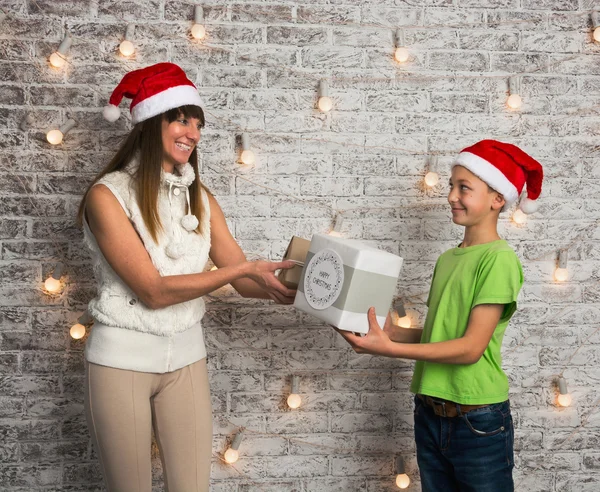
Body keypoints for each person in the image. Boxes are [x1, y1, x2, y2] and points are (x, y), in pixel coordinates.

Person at [76, 62, 296, 491]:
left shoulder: (201, 197)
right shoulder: (107, 196)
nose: (192, 132)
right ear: (150, 122)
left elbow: (244, 279)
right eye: (180, 118)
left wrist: (289, 287)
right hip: (122, 360)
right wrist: (242, 270)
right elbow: (153, 291)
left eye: (197, 123)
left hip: (186, 358)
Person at [335, 140, 544, 492]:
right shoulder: (449, 258)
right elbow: (441, 334)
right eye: (451, 185)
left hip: (477, 419)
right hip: (429, 413)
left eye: (465, 188)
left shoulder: (499, 259)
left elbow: (470, 348)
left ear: (497, 200)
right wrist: (390, 333)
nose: (451, 196)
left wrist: (389, 349)